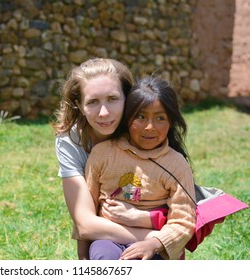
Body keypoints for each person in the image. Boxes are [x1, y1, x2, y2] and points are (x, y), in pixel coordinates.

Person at [52, 58, 160, 260]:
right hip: (110, 235)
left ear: (128, 97)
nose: (104, 113)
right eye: (93, 102)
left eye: (112, 98)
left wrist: (162, 239)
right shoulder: (70, 141)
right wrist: (156, 238)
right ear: (79, 104)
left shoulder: (146, 130)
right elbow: (85, 223)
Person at [85, 76, 197, 260]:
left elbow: (184, 221)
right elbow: (86, 211)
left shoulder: (176, 164)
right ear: (127, 118)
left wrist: (154, 245)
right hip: (107, 239)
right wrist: (82, 258)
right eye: (141, 116)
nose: (150, 127)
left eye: (160, 118)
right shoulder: (102, 154)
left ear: (171, 122)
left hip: (155, 243)